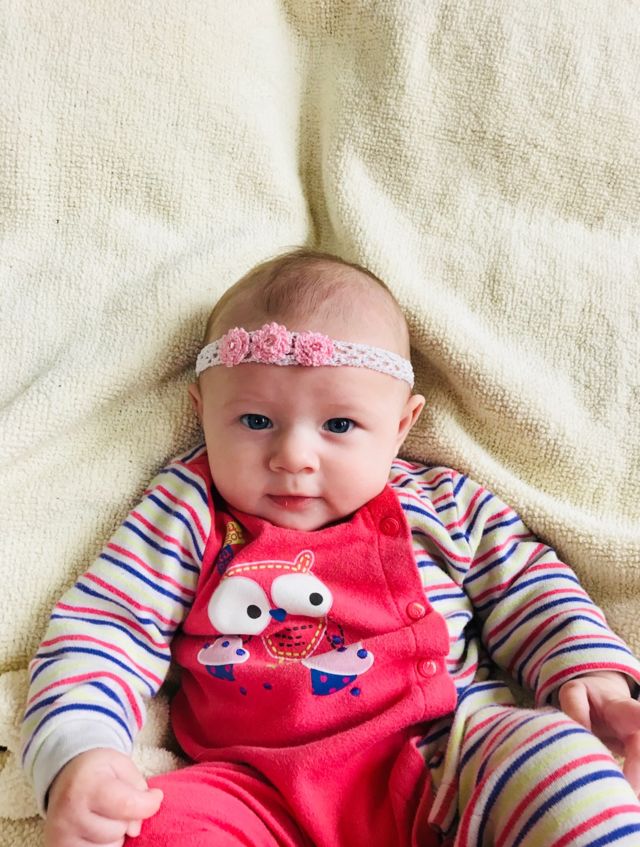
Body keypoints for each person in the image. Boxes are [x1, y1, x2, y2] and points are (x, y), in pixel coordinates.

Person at [22, 248, 640, 847]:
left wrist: (586, 670)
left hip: (453, 763)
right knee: (153, 827)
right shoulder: (189, 509)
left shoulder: (444, 503)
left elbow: (528, 584)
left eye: (339, 425)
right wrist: (79, 751)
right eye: (255, 421)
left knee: (559, 763)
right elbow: (108, 626)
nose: (293, 456)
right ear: (202, 412)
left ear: (400, 426)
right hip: (256, 791)